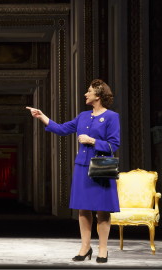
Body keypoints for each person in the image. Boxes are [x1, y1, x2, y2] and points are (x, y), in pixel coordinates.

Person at [26, 79, 120, 263]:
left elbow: (114, 144)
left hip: (102, 165)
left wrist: (92, 141)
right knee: (83, 208)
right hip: (82, 166)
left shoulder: (111, 117)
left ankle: (103, 249)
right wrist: (42, 116)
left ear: (99, 95)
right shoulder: (83, 116)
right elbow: (61, 129)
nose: (86, 94)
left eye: (89, 91)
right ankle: (85, 248)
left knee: (102, 210)